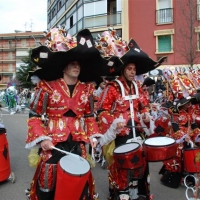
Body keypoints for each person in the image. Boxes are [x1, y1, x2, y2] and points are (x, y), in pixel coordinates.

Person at [25, 27, 106, 200]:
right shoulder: (47, 87)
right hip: (52, 141)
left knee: (78, 182)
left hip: (78, 142)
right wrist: (42, 138)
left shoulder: (87, 89)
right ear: (64, 67)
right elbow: (34, 116)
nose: (76, 67)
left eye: (78, 64)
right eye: (72, 64)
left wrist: (93, 136)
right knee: (47, 183)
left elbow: (90, 116)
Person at [95, 33, 166, 200]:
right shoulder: (112, 87)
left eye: (134, 69)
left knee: (140, 166)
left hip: (138, 133)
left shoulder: (138, 86)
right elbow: (101, 111)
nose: (133, 72)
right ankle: (120, 194)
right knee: (122, 168)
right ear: (123, 69)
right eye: (129, 69)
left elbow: (144, 106)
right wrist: (114, 124)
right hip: (120, 135)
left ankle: (141, 194)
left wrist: (146, 116)